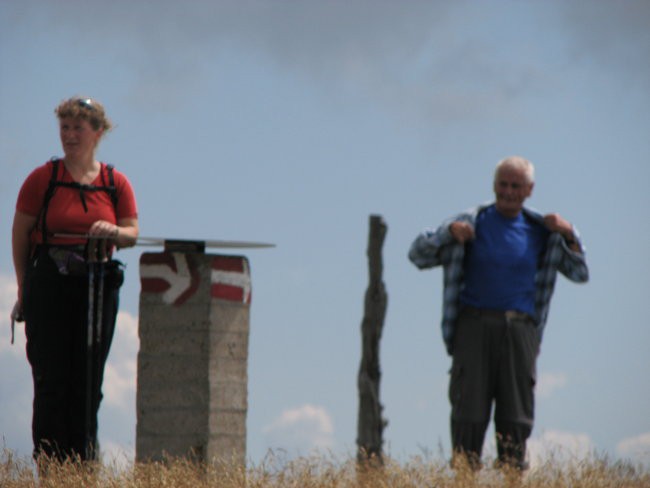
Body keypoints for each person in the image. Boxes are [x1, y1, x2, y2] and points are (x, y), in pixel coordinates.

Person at [408, 156, 588, 470]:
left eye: (515, 185)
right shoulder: (471, 221)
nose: (507, 191)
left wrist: (570, 233)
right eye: (502, 184)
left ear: (529, 190)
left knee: (516, 415)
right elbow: (417, 255)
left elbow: (579, 272)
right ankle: (464, 476)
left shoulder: (542, 232)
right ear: (493, 186)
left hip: (520, 329)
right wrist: (448, 234)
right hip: (473, 326)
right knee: (469, 412)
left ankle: (512, 476)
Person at [11, 96, 139, 462]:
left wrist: (112, 229)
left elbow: (132, 232)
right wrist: (25, 287)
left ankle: (82, 468)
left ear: (97, 133)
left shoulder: (116, 183)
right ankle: (51, 468)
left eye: (77, 128)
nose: (69, 135)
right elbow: (20, 234)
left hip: (96, 285)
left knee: (88, 383)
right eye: (64, 127)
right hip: (49, 282)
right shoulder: (43, 179)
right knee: (51, 380)